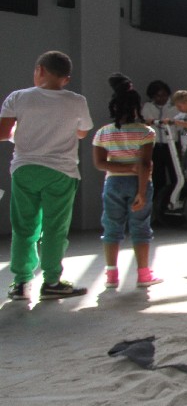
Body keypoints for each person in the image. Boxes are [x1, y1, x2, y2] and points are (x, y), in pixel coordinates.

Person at [1, 51, 93, 300]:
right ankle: (52, 281)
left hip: (25, 169)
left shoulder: (18, 97)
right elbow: (82, 132)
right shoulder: (77, 101)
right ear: (66, 78)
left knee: (24, 227)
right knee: (55, 228)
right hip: (61, 172)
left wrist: (20, 132)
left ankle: (21, 283)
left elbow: (3, 133)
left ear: (40, 70)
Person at [92, 74, 160, 289]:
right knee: (140, 228)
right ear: (136, 107)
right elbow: (145, 164)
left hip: (113, 184)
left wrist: (124, 167)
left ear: (113, 106)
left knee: (111, 228)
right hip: (139, 183)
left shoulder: (103, 133)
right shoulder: (146, 132)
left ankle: (111, 275)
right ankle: (143, 275)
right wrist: (141, 191)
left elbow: (100, 164)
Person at [141, 79, 175, 205]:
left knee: (175, 175)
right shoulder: (147, 107)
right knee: (157, 177)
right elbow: (144, 122)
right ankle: (158, 204)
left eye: (164, 95)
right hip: (155, 146)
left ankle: (176, 200)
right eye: (158, 96)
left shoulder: (174, 107)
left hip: (172, 146)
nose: (161, 99)